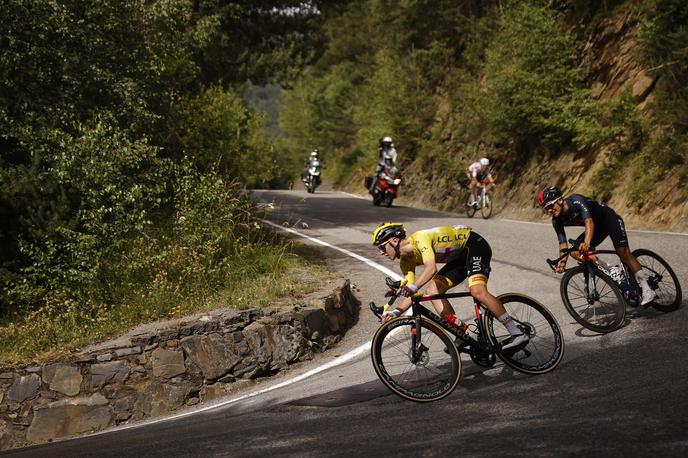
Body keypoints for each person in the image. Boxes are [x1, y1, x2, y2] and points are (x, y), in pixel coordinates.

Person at [371, 222, 529, 350]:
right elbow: (412, 292)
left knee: (477, 290)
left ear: (393, 241)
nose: (381, 252)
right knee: (433, 291)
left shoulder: (420, 238)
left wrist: (412, 287)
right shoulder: (405, 262)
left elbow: (431, 268)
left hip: (474, 246)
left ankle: (517, 333)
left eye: (382, 247)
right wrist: (395, 312)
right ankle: (462, 333)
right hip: (459, 259)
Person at [536, 186, 656, 305]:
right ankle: (611, 270)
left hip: (610, 220)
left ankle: (647, 289)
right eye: (546, 208)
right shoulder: (556, 221)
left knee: (622, 251)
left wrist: (587, 242)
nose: (549, 210)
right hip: (598, 228)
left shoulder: (576, 201)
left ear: (560, 200)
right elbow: (563, 243)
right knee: (573, 251)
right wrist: (562, 264)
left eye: (550, 205)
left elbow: (589, 222)